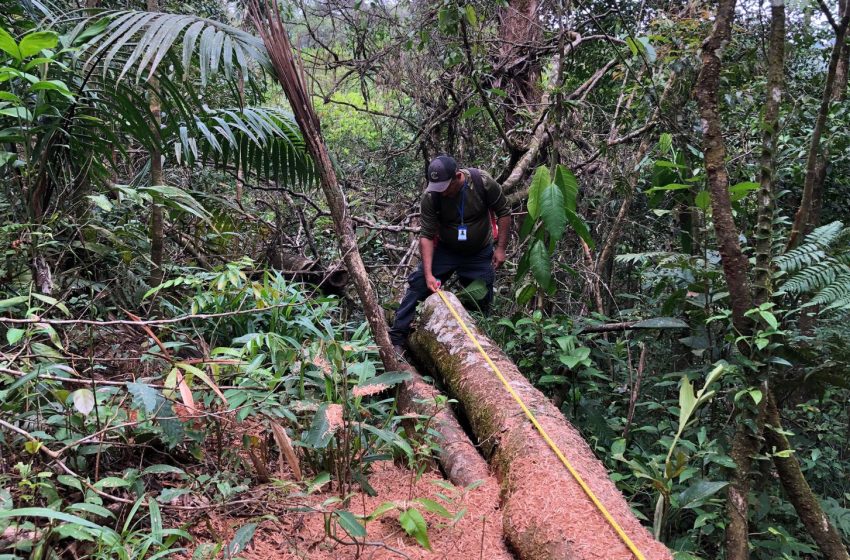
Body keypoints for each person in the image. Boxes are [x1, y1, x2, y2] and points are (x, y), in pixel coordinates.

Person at [390, 155, 512, 354]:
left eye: (445, 187)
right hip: (446, 251)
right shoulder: (432, 196)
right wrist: (429, 274)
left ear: (457, 177)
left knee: (481, 299)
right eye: (437, 188)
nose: (442, 193)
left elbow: (504, 212)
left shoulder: (482, 182)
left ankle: (480, 347)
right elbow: (427, 236)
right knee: (419, 283)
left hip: (479, 253)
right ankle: (397, 338)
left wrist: (501, 249)